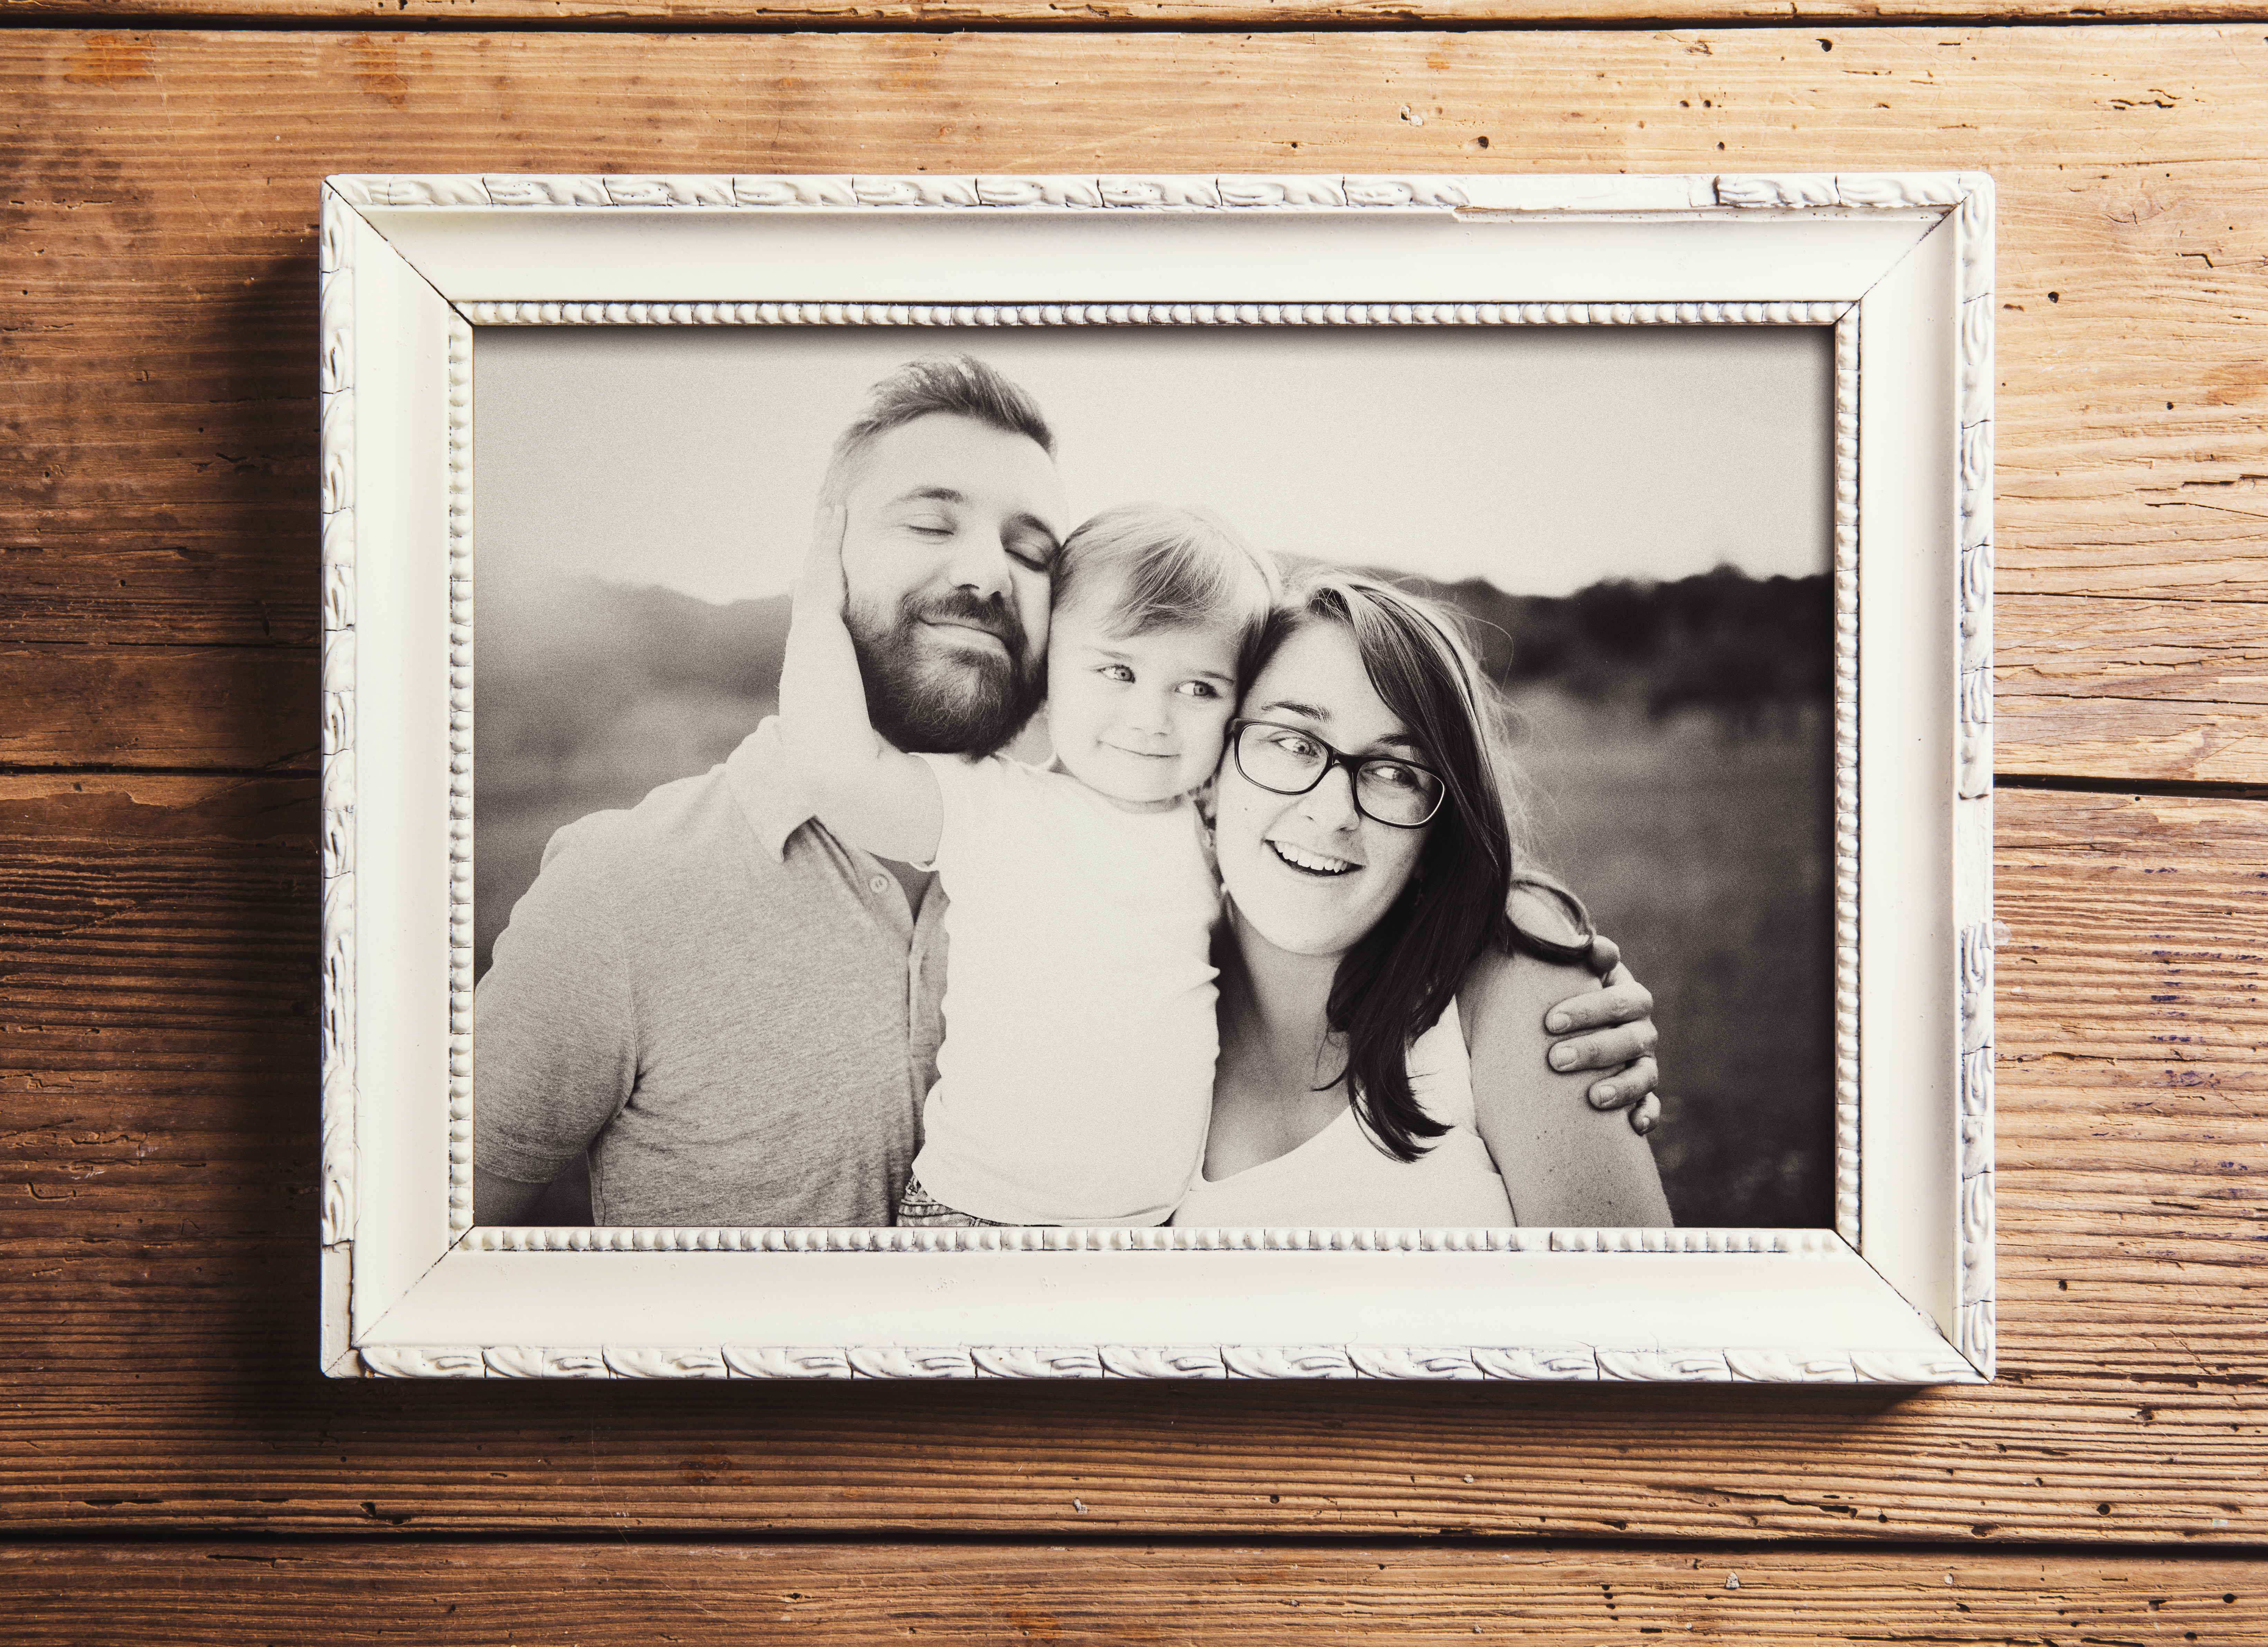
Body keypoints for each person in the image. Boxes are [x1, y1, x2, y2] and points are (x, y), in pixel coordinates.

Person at [472, 354, 1661, 1230]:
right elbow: (400, 1247)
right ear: (823, 547)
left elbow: (1378, 857)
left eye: (1032, 550)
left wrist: (1541, 964)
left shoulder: (1213, 858)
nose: (983, 571)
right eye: (926, 519)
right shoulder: (628, 895)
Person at [779, 496, 1272, 1226]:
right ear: (1044, 676)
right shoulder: (996, 805)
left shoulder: (1216, 834)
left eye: (1197, 687)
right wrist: (818, 611)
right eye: (1116, 669)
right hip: (980, 1215)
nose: (1152, 717)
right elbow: (836, 770)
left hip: (1147, 1231)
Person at [1175, 574, 1673, 1228]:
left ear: (1438, 831)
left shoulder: (1511, 977)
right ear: (1211, 775)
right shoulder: (1133, 998)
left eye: (1395, 772)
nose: (1333, 814)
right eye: (1293, 743)